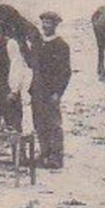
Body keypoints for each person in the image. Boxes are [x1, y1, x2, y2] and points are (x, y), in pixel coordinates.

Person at [29, 11, 72, 169]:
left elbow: (65, 72)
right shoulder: (37, 43)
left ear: (55, 25)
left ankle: (56, 156)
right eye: (44, 23)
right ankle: (44, 153)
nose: (46, 26)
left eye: (49, 23)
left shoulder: (61, 46)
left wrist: (58, 93)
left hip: (51, 91)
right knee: (39, 123)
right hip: (37, 90)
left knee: (53, 123)